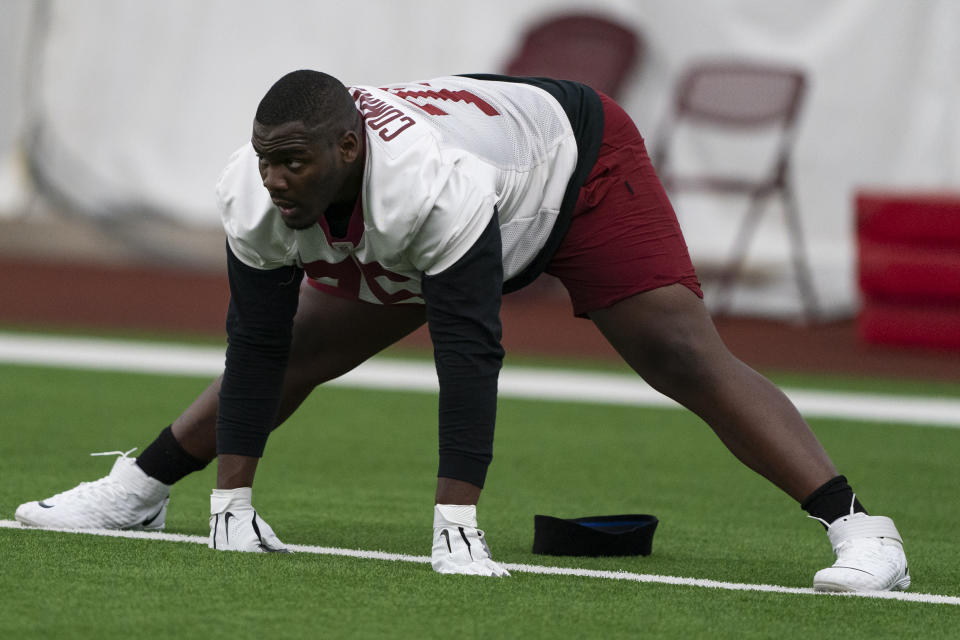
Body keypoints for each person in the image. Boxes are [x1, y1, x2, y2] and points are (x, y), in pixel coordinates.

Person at [16, 70, 909, 590]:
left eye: (295, 163)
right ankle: (140, 488)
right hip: (447, 192)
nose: (277, 181)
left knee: (679, 353)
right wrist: (231, 501)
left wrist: (456, 520)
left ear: (348, 150)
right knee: (298, 348)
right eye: (268, 163)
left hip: (576, 166)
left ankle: (862, 530)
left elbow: (471, 349)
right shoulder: (257, 190)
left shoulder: (426, 187)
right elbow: (252, 345)